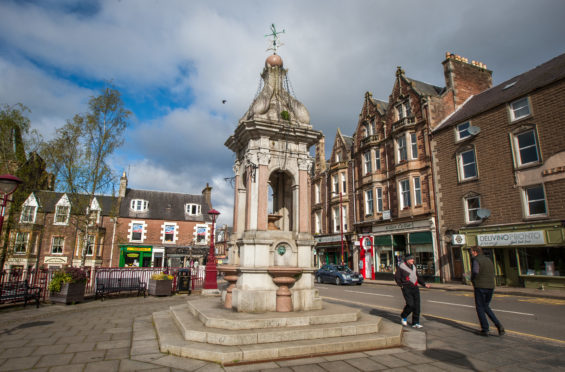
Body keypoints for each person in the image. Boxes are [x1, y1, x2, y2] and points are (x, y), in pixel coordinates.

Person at [468, 246, 505, 337]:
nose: (471, 253)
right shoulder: (488, 260)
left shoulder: (476, 260)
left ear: (475, 252)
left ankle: (485, 329)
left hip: (480, 286)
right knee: (486, 306)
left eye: (471, 251)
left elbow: (475, 271)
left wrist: (471, 278)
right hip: (490, 286)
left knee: (480, 307)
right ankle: (499, 325)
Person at [394, 254, 430, 328]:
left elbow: (418, 277)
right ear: (407, 260)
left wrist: (424, 284)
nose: (413, 260)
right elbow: (397, 278)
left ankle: (415, 323)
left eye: (413, 259)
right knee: (410, 304)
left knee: (417, 306)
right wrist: (401, 285)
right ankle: (404, 316)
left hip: (415, 287)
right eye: (411, 259)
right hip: (406, 288)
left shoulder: (413, 266)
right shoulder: (401, 267)